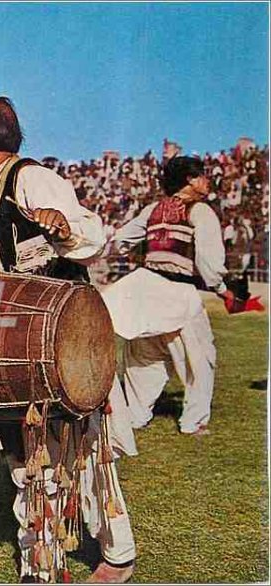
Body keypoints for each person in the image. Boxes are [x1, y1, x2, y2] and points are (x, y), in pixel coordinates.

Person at [0, 97, 136, 583]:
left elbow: (91, 232)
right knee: (28, 458)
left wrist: (62, 225)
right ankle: (42, 563)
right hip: (19, 346)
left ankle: (118, 556)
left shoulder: (28, 178)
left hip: (64, 344)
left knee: (84, 450)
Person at [101, 156, 231, 438]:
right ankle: (193, 421)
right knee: (200, 358)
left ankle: (135, 415)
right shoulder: (201, 211)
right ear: (190, 180)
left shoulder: (152, 209)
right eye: (202, 176)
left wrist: (140, 253)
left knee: (143, 359)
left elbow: (121, 239)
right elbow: (210, 264)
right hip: (178, 293)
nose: (207, 181)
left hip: (145, 290)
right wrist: (222, 289)